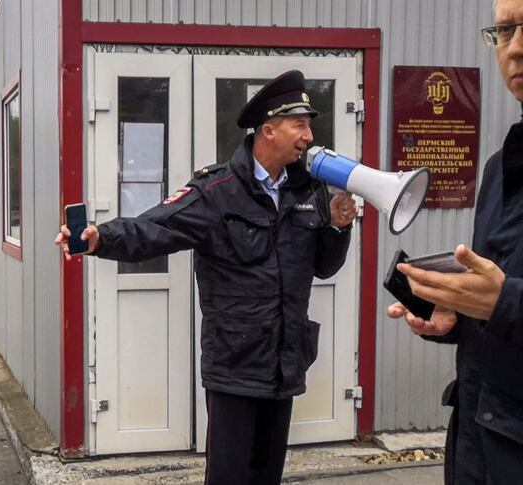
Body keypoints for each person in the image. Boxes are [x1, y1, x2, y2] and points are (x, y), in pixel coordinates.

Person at [55, 70, 357, 485]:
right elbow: (153, 229)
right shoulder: (217, 191)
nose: (309, 135)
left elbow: (323, 265)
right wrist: (98, 238)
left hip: (285, 363)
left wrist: (339, 226)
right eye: (299, 125)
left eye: (309, 125)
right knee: (229, 477)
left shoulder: (309, 191)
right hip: (235, 365)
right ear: (268, 130)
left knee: (267, 475)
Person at [387, 1, 523, 482]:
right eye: (504, 31)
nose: (516, 49)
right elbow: (498, 300)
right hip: (479, 440)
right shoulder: (499, 168)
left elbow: (507, 299)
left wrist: (504, 302)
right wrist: (458, 318)